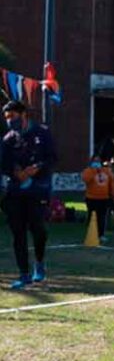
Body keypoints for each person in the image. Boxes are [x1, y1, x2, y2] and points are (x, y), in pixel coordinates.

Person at [1, 100, 56, 290]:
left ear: (23, 114)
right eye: (6, 118)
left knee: (38, 229)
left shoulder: (42, 132)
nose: (9, 121)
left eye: (12, 116)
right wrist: (15, 172)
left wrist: (36, 168)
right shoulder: (8, 139)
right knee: (18, 233)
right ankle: (24, 274)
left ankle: (39, 263)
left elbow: (52, 158)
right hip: (15, 191)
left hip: (38, 188)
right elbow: (4, 163)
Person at [81, 154, 114, 243]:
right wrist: (94, 171)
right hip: (91, 198)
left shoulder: (106, 171)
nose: (97, 163)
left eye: (98, 161)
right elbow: (86, 179)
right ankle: (91, 233)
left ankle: (101, 234)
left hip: (104, 198)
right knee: (92, 217)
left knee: (102, 217)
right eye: (95, 161)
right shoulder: (87, 171)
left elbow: (112, 183)